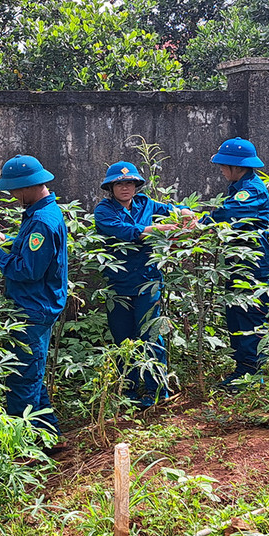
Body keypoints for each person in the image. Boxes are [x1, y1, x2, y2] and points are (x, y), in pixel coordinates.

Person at [0, 155, 68, 446]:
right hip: (37, 305)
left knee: (21, 378)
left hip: (33, 308)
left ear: (29, 186)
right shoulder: (42, 214)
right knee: (32, 374)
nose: (13, 195)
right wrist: (8, 242)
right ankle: (50, 437)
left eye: (15, 190)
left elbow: (27, 269)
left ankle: (24, 447)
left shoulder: (41, 221)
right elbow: (32, 252)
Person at [93, 161, 196, 408]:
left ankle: (156, 390)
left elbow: (174, 210)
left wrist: (185, 213)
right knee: (123, 339)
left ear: (137, 185)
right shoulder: (104, 210)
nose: (125, 188)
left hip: (148, 281)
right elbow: (126, 231)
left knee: (151, 336)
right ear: (111, 187)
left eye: (129, 183)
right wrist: (157, 229)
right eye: (119, 183)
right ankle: (127, 390)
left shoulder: (146, 204)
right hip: (118, 285)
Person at [204, 137, 269, 388]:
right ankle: (242, 370)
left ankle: (251, 375)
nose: (221, 170)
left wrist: (199, 221)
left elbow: (228, 214)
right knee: (235, 314)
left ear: (238, 166)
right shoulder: (238, 186)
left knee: (249, 316)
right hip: (238, 261)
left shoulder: (250, 189)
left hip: (252, 262)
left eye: (224, 165)